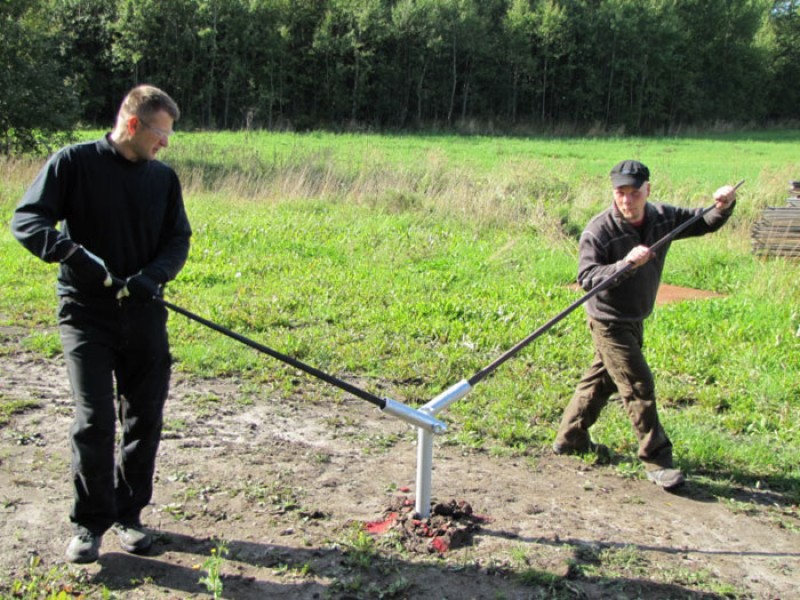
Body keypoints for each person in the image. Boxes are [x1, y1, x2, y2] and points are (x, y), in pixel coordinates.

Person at [11, 85, 192, 562]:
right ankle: (90, 523)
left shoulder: (162, 179)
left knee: (144, 418)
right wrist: (72, 254)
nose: (166, 143)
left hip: (145, 314)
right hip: (86, 315)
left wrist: (153, 277)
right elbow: (28, 221)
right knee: (94, 420)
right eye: (160, 132)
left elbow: (179, 239)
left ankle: (129, 515)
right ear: (132, 124)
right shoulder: (72, 164)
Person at [552, 160, 737, 491]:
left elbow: (704, 221)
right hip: (609, 321)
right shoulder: (599, 231)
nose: (627, 200)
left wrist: (724, 205)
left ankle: (571, 438)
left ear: (647, 191)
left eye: (634, 193)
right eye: (620, 193)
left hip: (635, 318)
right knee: (638, 383)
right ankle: (657, 460)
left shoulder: (662, 218)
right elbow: (587, 278)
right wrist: (625, 264)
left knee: (603, 379)